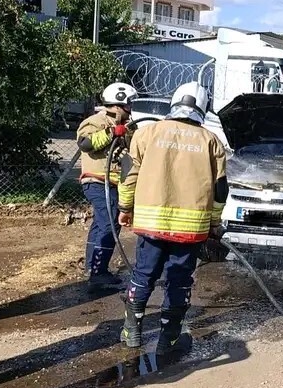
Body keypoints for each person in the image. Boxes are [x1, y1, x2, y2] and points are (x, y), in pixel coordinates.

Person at [117, 82, 227, 351]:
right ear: (203, 108)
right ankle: (169, 337)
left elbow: (128, 176)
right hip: (191, 230)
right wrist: (214, 223)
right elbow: (220, 189)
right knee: (179, 280)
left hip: (151, 224)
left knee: (143, 275)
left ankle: (132, 332)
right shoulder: (211, 142)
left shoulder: (147, 133)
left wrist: (124, 208)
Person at [76, 82, 138, 292]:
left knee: (101, 224)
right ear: (120, 102)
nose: (131, 106)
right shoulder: (95, 122)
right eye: (129, 102)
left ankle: (93, 267)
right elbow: (85, 143)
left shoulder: (128, 125)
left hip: (113, 183)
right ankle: (98, 273)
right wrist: (113, 132)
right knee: (109, 224)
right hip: (97, 181)